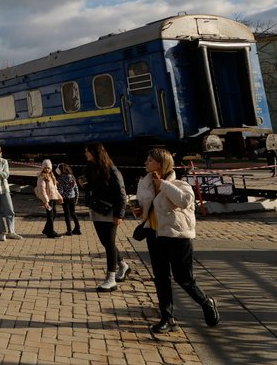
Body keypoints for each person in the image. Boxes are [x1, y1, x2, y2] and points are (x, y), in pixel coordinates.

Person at [135, 148, 219, 333]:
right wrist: (140, 211)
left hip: (177, 237)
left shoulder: (180, 185)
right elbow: (145, 205)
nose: (146, 162)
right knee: (161, 278)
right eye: (147, 159)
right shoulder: (145, 184)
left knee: (184, 279)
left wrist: (163, 184)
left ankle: (206, 301)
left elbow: (184, 201)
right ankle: (167, 317)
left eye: (150, 160)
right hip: (155, 235)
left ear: (161, 163)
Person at [81, 142, 128, 291]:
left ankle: (111, 278)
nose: (85, 154)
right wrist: (84, 184)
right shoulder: (90, 168)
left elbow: (121, 195)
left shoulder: (112, 171)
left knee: (109, 244)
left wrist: (119, 214)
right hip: (96, 209)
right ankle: (123, 266)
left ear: (94, 152)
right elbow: (93, 188)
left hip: (109, 211)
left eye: (87, 151)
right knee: (106, 242)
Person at [0, 146, 22, 241]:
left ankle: (11, 231)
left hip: (3, 187)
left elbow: (6, 175)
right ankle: (1, 232)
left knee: (9, 208)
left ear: (0, 154)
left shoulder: (4, 162)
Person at [35, 159, 62, 238]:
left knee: (54, 214)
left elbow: (55, 189)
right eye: (45, 167)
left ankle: (46, 229)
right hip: (48, 200)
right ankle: (50, 232)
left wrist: (59, 197)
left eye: (48, 168)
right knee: (50, 216)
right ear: (42, 168)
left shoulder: (51, 176)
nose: (47, 169)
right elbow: (42, 190)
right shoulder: (42, 177)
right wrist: (46, 201)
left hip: (53, 199)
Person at [56, 163, 81, 235]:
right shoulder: (72, 177)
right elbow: (76, 189)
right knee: (73, 214)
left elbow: (60, 191)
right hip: (72, 198)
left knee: (67, 215)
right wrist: (76, 199)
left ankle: (69, 231)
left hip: (65, 199)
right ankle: (78, 229)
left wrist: (59, 198)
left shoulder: (60, 179)